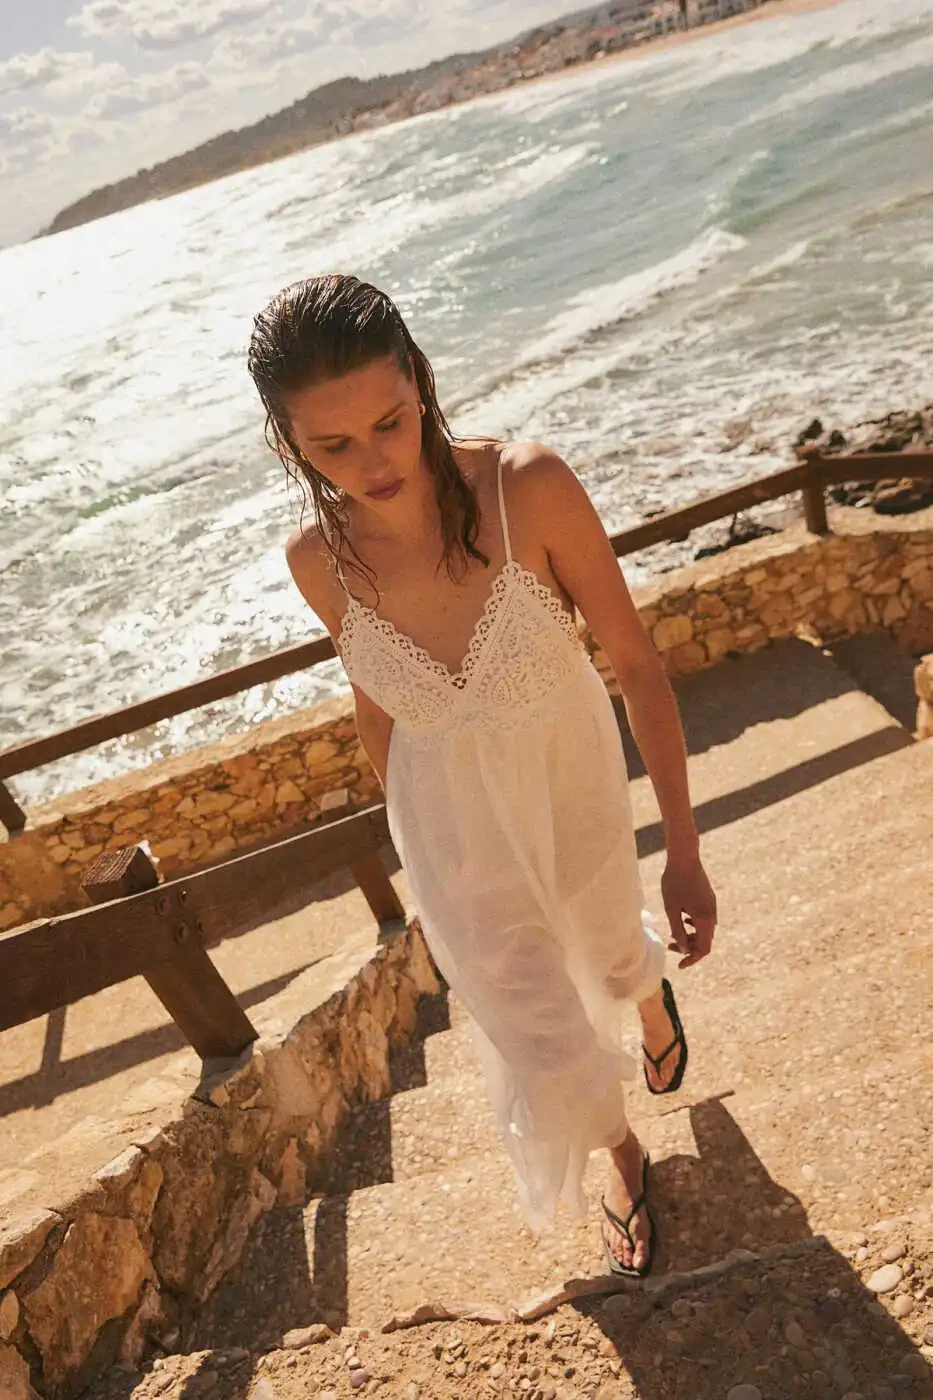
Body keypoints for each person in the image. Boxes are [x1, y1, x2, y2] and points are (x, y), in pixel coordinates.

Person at [247, 274, 717, 1276]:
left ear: (419, 382)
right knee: (538, 1030)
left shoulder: (527, 486)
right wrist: (415, 842)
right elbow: (376, 695)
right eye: (332, 446)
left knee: (604, 941)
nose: (373, 461)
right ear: (290, 445)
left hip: (567, 775)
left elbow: (636, 664)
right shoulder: (316, 559)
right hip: (446, 824)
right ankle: (623, 1159)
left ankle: (644, 994)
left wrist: (683, 850)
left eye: (389, 421)